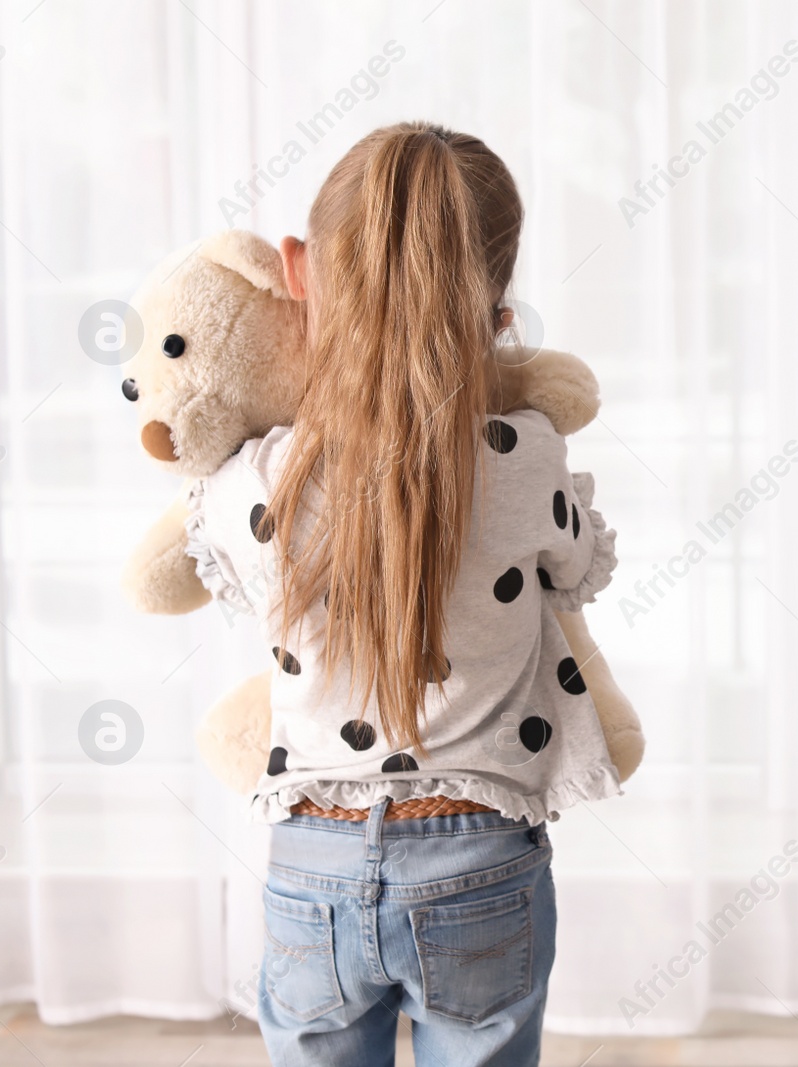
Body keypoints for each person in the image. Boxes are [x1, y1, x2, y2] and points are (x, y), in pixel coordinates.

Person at [184, 122, 619, 1067]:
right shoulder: (529, 457)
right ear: (502, 311)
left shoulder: (263, 480)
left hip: (315, 862)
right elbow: (579, 568)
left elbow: (193, 538)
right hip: (482, 860)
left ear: (297, 270)